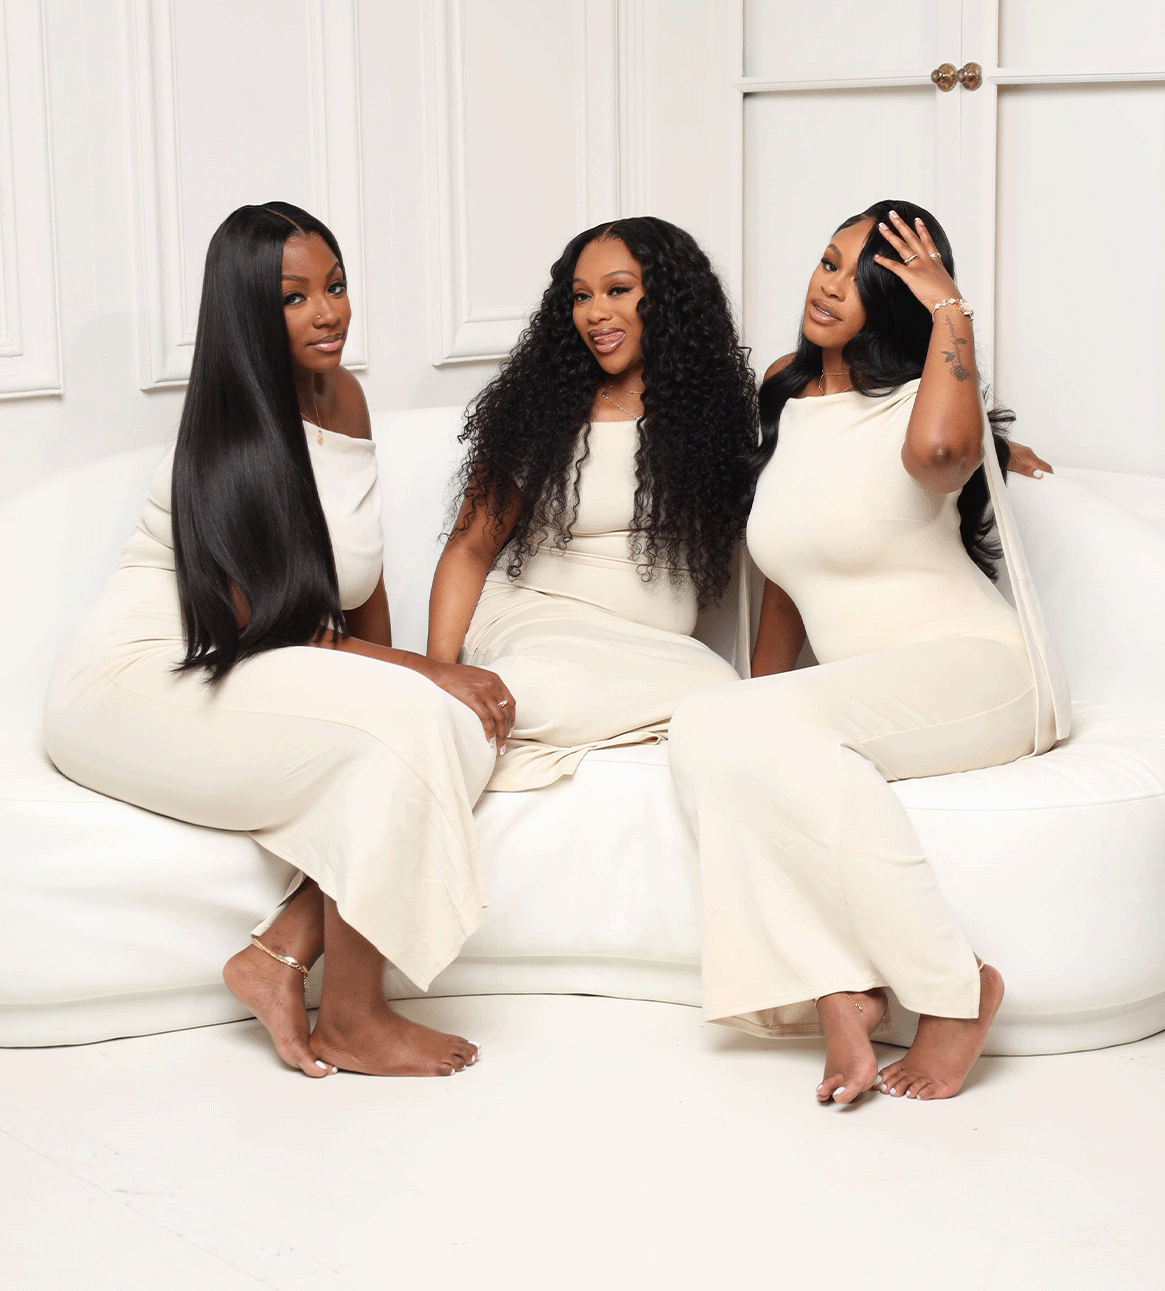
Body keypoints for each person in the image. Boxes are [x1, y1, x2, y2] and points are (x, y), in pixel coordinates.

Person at [44, 204, 515, 1078]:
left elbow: (360, 581)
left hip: (259, 660)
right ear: (248, 312)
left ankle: (280, 954)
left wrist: (418, 678)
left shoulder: (346, 398)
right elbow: (264, 624)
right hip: (141, 681)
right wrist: (421, 675)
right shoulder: (228, 437)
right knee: (414, 723)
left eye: (335, 286)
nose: (328, 313)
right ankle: (353, 1019)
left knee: (455, 721)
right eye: (294, 297)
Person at [668, 201, 1070, 1104]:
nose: (828, 286)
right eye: (826, 261)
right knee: (706, 725)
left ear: (897, 301)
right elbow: (787, 575)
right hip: (872, 688)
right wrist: (753, 709)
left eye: (862, 277)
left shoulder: (925, 398)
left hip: (980, 672)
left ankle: (957, 993)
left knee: (733, 725)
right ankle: (839, 986)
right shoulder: (784, 390)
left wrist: (949, 310)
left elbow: (942, 453)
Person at [426, 217, 759, 790]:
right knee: (529, 694)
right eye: (581, 296)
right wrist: (439, 673)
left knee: (721, 694)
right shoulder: (543, 409)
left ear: (670, 298)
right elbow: (469, 547)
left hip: (655, 652)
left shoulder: (715, 415)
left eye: (618, 290)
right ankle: (448, 724)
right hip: (538, 623)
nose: (595, 313)